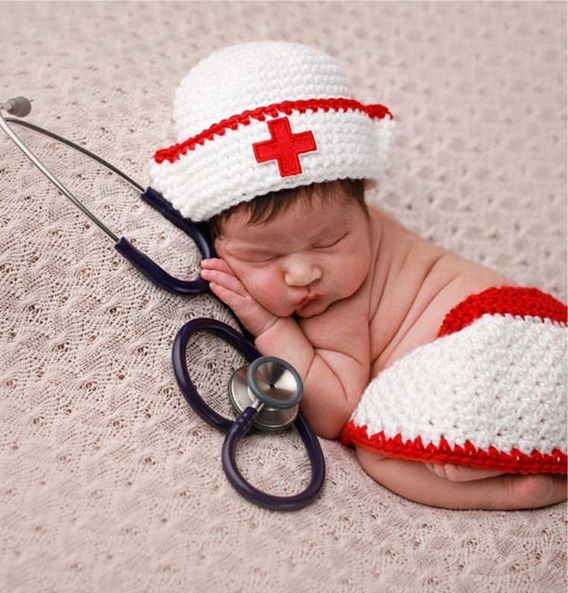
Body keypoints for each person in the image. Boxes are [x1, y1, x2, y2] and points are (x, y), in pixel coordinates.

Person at [151, 41, 567, 510]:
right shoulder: (347, 221)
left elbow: (336, 411)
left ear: (364, 205)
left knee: (375, 448)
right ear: (215, 242)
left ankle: (515, 487)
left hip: (490, 346)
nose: (305, 274)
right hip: (544, 338)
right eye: (265, 257)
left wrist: (271, 326)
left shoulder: (339, 300)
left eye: (329, 243)